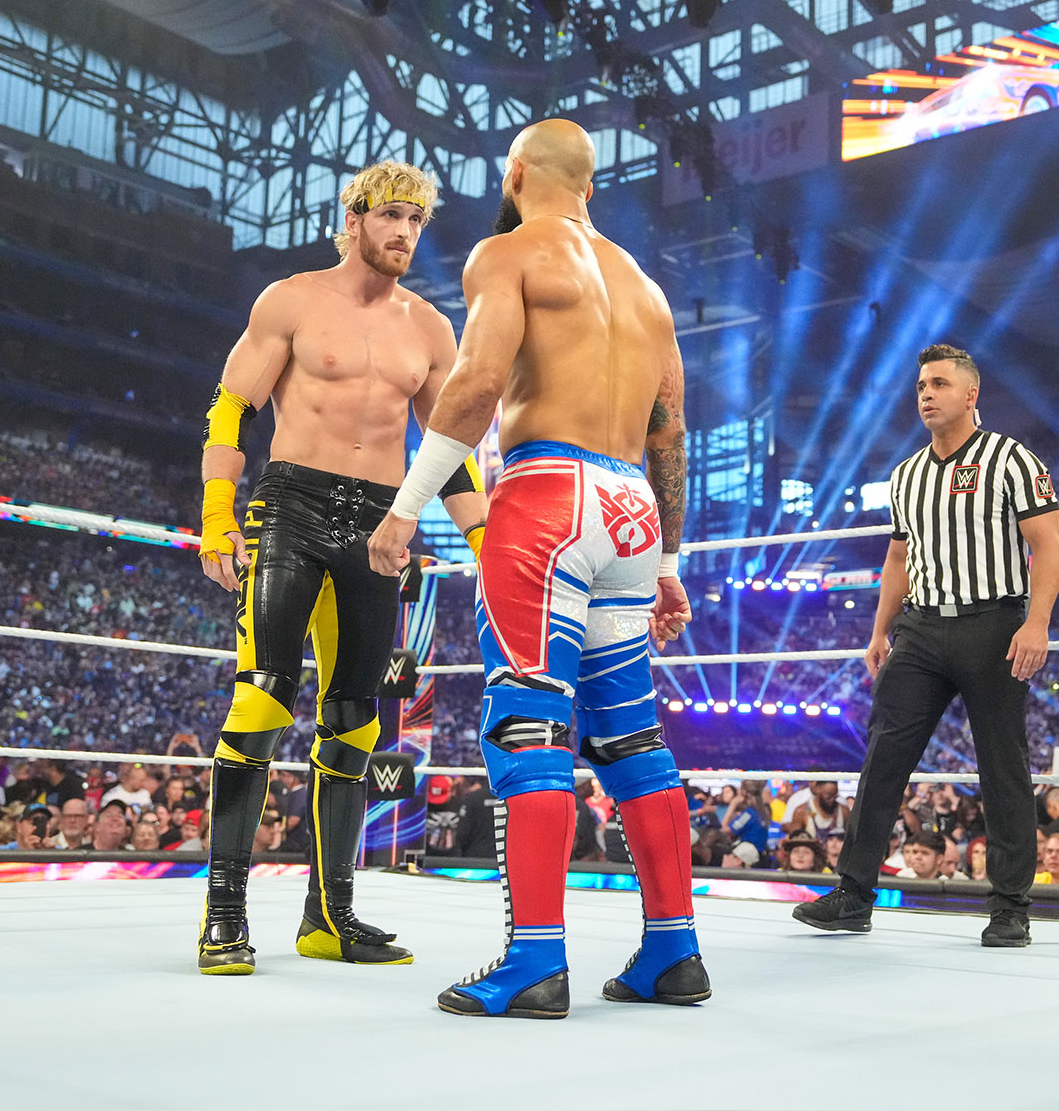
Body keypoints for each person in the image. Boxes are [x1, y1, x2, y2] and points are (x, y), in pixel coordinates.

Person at [367, 119, 704, 1019]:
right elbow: (671, 435)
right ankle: (673, 951)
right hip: (631, 507)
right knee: (631, 734)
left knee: (526, 726)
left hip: (547, 497)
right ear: (589, 186)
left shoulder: (506, 252)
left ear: (515, 174)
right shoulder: (645, 286)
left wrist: (407, 506)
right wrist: (668, 559)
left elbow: (475, 383)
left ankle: (534, 962)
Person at [192, 160, 488, 976]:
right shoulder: (289, 299)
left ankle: (330, 914)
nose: (403, 233)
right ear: (353, 217)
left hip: (380, 522)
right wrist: (218, 516)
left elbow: (450, 449)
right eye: (390, 214)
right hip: (289, 504)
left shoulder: (430, 328)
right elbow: (230, 407)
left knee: (356, 718)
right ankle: (224, 914)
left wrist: (489, 548)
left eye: (416, 221)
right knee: (260, 700)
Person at [794, 344, 1059, 949]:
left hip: (993, 624)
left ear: (971, 394)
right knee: (883, 757)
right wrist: (878, 630)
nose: (926, 394)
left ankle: (1010, 906)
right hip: (919, 626)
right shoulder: (906, 474)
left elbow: (1047, 546)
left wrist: (1037, 622)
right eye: (921, 385)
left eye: (939, 383)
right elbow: (897, 556)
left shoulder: (1012, 460)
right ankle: (854, 895)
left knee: (1002, 766)